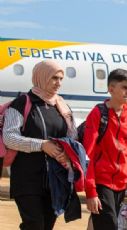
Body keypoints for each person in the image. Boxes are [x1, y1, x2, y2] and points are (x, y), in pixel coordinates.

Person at [2, 60, 78, 229]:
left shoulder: (63, 107)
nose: (58, 83)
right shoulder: (22, 103)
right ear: (40, 77)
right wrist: (42, 145)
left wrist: (67, 152)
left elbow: (72, 137)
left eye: (61, 78)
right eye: (53, 78)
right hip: (27, 179)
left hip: (55, 180)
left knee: (47, 226)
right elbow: (9, 137)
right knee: (34, 225)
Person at [83, 69, 127, 230]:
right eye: (125, 87)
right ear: (111, 89)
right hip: (101, 181)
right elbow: (87, 155)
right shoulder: (98, 114)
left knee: (108, 224)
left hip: (122, 183)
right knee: (109, 225)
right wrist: (91, 191)